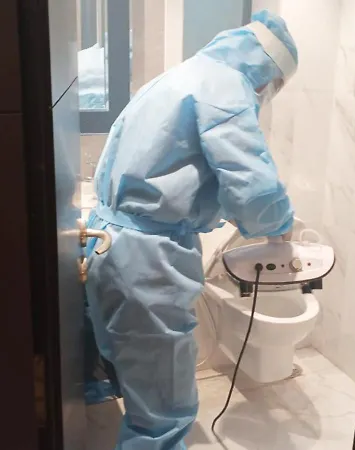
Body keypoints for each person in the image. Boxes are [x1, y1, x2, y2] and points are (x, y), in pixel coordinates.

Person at [85, 9, 298, 450]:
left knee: (125, 362)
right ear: (267, 71)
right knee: (163, 396)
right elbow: (254, 189)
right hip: (149, 259)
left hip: (105, 240)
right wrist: (281, 224)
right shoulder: (226, 89)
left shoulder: (177, 77)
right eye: (274, 85)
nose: (267, 93)